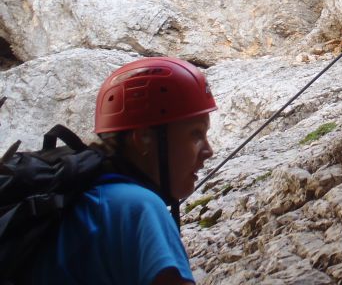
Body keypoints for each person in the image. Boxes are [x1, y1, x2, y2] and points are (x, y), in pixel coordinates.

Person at [29, 56, 217, 285]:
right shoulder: (138, 208)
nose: (209, 151)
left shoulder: (81, 200)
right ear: (144, 139)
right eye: (196, 134)